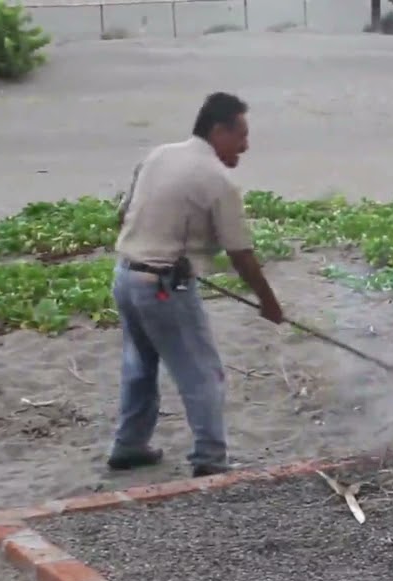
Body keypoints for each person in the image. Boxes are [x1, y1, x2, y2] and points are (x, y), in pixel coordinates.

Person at [106, 91, 284, 478]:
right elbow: (241, 254)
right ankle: (210, 459)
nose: (246, 146)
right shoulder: (218, 181)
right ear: (219, 131)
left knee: (139, 364)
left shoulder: (159, 155)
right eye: (241, 135)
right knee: (202, 373)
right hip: (163, 286)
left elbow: (124, 216)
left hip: (125, 276)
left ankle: (129, 446)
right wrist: (269, 303)